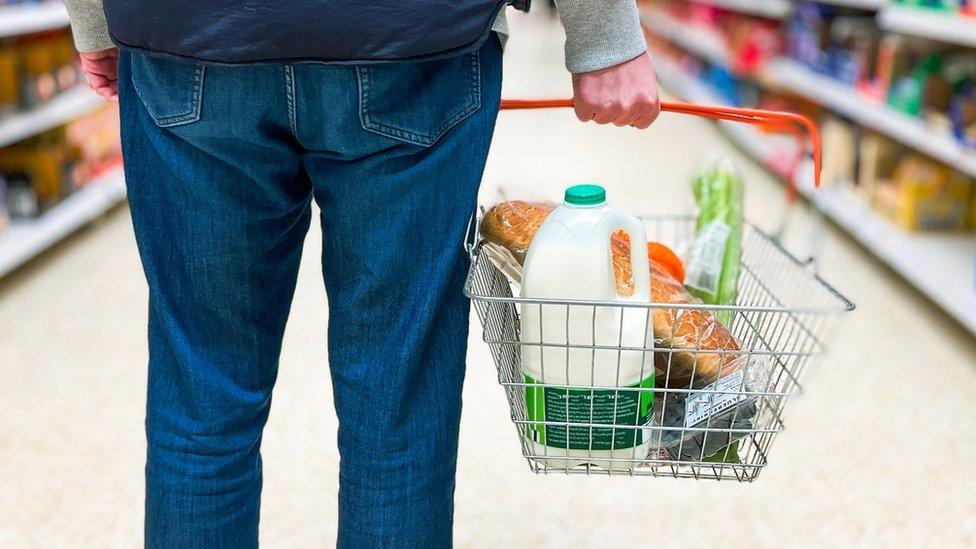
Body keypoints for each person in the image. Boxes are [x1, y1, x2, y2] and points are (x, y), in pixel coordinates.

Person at [61, 0, 661, 546]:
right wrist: (602, 34)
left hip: (188, 43)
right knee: (395, 400)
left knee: (204, 390)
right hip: (410, 45)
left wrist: (95, 17)